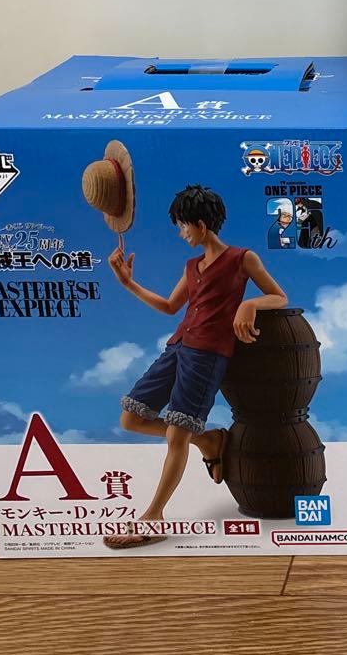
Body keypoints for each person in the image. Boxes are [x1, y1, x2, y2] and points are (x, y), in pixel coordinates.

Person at [104, 184, 287, 549]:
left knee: (176, 435)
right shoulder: (191, 266)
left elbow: (278, 296)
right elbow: (170, 307)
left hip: (207, 357)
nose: (180, 233)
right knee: (130, 418)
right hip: (177, 348)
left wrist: (248, 304)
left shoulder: (242, 258)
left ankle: (153, 517)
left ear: (201, 225)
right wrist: (128, 283)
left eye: (182, 226)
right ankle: (207, 439)